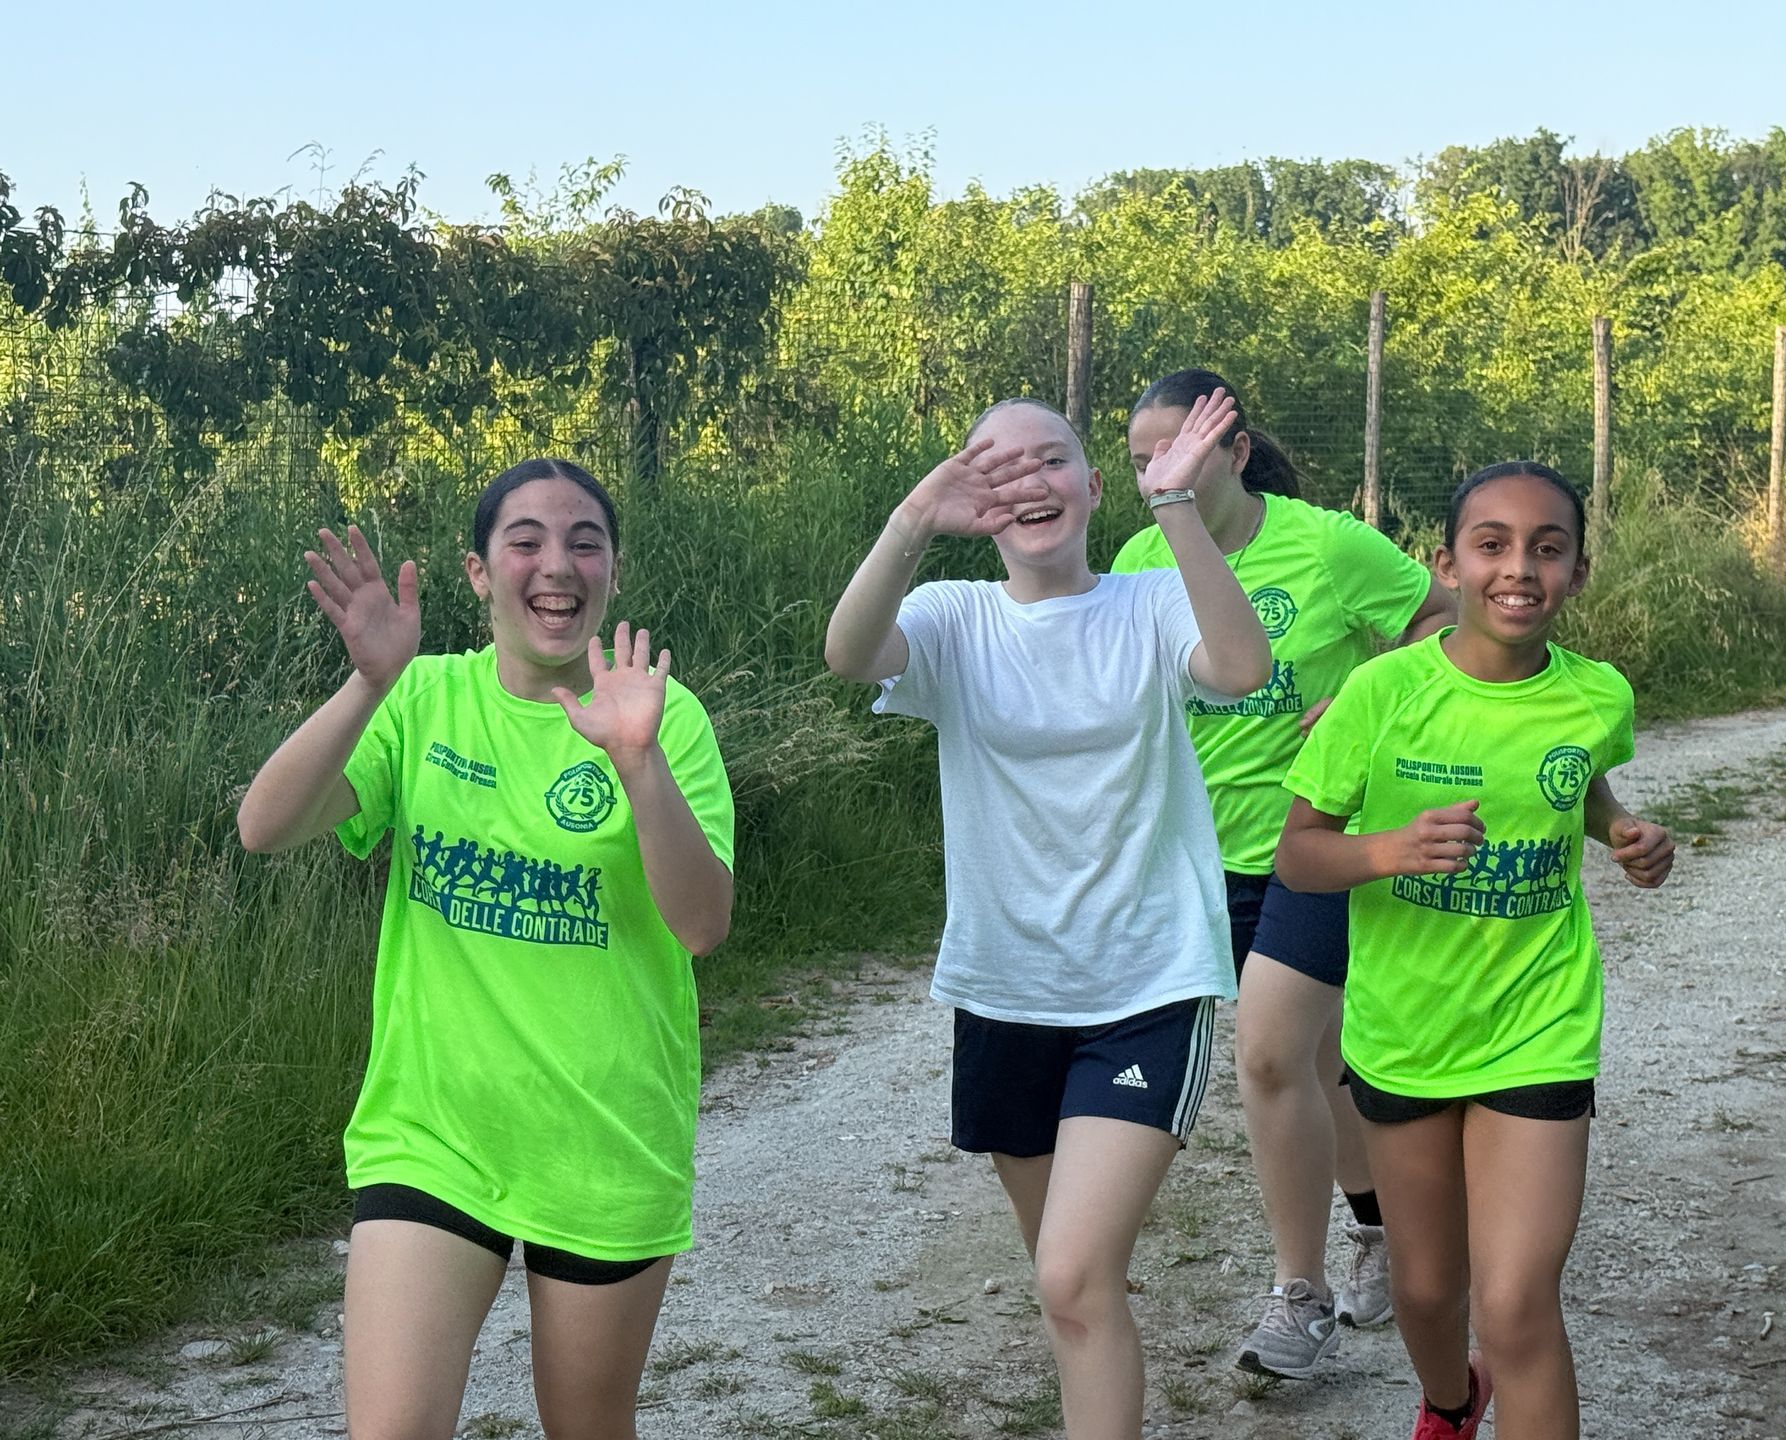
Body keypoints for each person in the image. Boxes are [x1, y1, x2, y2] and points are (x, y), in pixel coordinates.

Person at [236, 457, 735, 1440]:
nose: (557, 565)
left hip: (603, 1139)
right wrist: (369, 683)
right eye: (526, 541)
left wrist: (637, 764)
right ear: (477, 572)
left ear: (613, 570)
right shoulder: (421, 700)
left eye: (585, 543)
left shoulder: (664, 716)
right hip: (433, 1133)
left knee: (587, 1426)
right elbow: (265, 826)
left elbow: (701, 924)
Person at [824, 392, 1270, 1439]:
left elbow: (1240, 668)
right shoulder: (955, 618)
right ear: (972, 496)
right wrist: (911, 520)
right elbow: (850, 653)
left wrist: (1177, 508)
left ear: (1095, 486)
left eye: (1052, 461)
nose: (1029, 482)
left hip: (1149, 983)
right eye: (999, 467)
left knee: (1071, 1274)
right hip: (1006, 989)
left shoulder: (1151, 603)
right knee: (1069, 1284)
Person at [1275, 461, 1674, 1439]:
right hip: (1406, 1030)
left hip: (1540, 1023)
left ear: (1578, 572)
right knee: (1425, 1292)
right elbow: (1299, 855)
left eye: (1549, 548)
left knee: (1517, 1304)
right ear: (1447, 564)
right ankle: (1452, 1402)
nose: (1520, 569)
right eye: (1492, 545)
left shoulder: (1597, 695)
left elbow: (1573, 784)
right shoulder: (1380, 692)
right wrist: (1389, 849)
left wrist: (1622, 832)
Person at [1112, 368, 1453, 1376]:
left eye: (1177, 451)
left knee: (1267, 1056)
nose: (1159, 472)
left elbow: (1441, 619)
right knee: (1320, 1064)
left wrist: (1367, 697)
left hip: (1315, 847)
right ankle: (1381, 1229)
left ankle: (1296, 1300)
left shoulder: (1327, 544)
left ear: (1235, 450)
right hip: (1194, 855)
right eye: (1141, 461)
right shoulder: (1139, 558)